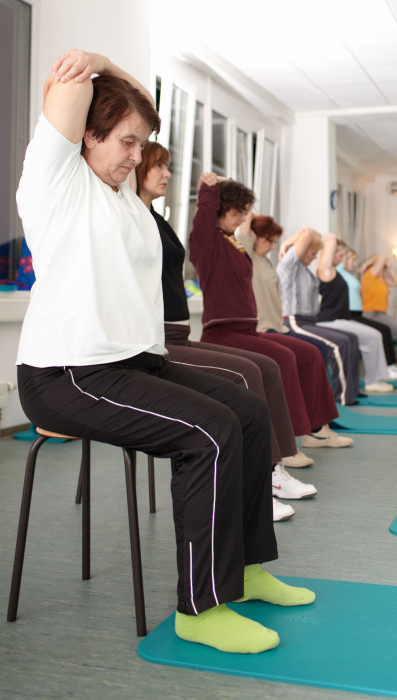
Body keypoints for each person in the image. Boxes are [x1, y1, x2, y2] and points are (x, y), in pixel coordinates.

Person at [16, 48, 314, 655]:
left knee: (248, 413)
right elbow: (71, 89)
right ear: (87, 136)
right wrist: (96, 62)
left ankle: (248, 568)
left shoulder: (126, 197)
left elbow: (139, 117)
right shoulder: (57, 181)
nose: (136, 155)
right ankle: (200, 608)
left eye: (141, 143)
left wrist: (129, 97)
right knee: (207, 433)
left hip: (132, 361)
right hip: (67, 371)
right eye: (126, 142)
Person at [135, 142, 309, 520]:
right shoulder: (190, 234)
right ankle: (260, 484)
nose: (168, 174)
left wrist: (227, 191)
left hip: (179, 335)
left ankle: (276, 468)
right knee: (249, 373)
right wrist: (211, 189)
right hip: (160, 339)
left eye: (168, 166)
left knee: (267, 366)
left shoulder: (158, 220)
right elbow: (204, 223)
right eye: (160, 167)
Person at [188, 175, 351, 452]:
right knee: (284, 358)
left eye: (243, 212)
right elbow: (206, 215)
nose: (242, 218)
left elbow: (248, 219)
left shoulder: (235, 243)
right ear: (220, 208)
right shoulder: (207, 243)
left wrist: (231, 189)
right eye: (236, 211)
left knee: (310, 354)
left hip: (247, 330)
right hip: (222, 333)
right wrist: (210, 188)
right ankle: (288, 446)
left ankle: (317, 430)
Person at [234, 212, 347, 451]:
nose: (275, 246)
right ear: (256, 238)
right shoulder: (247, 254)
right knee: (294, 357)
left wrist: (283, 243)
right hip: (261, 329)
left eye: (277, 242)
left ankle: (318, 430)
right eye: (270, 240)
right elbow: (246, 225)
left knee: (314, 353)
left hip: (278, 327)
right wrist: (286, 242)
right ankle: (295, 439)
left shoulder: (265, 259)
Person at [277, 227, 363, 406]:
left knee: (351, 338)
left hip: (310, 321)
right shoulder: (289, 265)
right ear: (302, 250)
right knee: (340, 343)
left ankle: (352, 391)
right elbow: (308, 233)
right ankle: (342, 398)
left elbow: (318, 239)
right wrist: (286, 243)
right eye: (313, 252)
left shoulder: (307, 271)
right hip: (293, 322)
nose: (316, 257)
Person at [315, 235, 394, 392]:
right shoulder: (325, 269)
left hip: (340, 319)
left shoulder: (337, 272)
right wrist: (331, 241)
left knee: (375, 335)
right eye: (341, 255)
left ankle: (376, 379)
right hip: (329, 321)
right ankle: (373, 381)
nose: (343, 258)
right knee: (372, 336)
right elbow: (326, 254)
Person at [337, 247, 397, 379]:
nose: (354, 263)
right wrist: (367, 264)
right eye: (352, 260)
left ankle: (389, 366)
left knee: (384, 330)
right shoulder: (342, 272)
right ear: (344, 260)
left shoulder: (350, 275)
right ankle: (388, 367)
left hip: (358, 313)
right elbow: (381, 257)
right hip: (352, 313)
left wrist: (390, 267)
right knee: (383, 331)